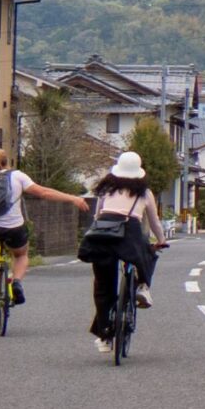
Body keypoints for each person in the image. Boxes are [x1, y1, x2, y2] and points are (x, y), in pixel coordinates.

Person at [0, 148, 90, 309]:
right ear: (7, 163)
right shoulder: (17, 176)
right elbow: (44, 193)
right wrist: (73, 198)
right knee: (21, 254)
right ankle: (16, 282)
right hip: (14, 228)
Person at [78, 151, 167, 353]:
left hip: (103, 232)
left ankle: (104, 336)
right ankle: (142, 286)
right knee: (148, 254)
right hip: (130, 233)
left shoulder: (105, 189)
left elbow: (98, 214)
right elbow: (154, 222)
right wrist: (161, 241)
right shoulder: (144, 193)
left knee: (102, 286)